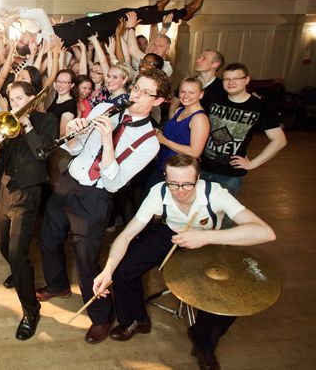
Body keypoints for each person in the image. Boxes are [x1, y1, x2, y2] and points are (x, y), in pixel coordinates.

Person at [92, 154, 276, 369]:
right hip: (169, 234)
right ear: (165, 177)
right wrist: (107, 270)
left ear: (198, 178)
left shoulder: (215, 193)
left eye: (188, 183)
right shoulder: (158, 192)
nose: (180, 190)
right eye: (174, 183)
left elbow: (265, 233)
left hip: (208, 239)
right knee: (123, 270)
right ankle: (136, 319)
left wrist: (205, 237)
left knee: (226, 291)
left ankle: (203, 340)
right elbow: (126, 235)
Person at [36, 68, 171, 344]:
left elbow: (114, 183)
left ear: (159, 101)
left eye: (146, 93)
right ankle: (58, 284)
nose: (136, 96)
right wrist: (75, 131)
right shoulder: (108, 106)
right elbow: (77, 148)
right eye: (136, 89)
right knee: (48, 239)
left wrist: (108, 140)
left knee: (86, 262)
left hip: (95, 198)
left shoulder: (149, 143)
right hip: (69, 181)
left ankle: (101, 316)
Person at [0, 81, 58, 340]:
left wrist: (27, 125)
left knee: (18, 254)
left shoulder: (47, 120)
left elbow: (42, 153)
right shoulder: (8, 123)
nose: (15, 104)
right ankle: (18, 273)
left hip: (29, 193)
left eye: (19, 99)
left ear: (32, 99)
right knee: (3, 244)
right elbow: (2, 163)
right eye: (12, 99)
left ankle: (30, 310)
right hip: (6, 190)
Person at [7, 0, 204, 52]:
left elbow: (31, 21)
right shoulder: (48, 43)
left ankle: (156, 10)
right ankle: (182, 14)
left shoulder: (38, 34)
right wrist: (18, 15)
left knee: (123, 11)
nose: (21, 35)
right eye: (21, 39)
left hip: (87, 23)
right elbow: (39, 13)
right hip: (94, 31)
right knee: (127, 18)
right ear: (30, 44)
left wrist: (10, 16)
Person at [200, 63, 287, 197]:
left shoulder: (258, 107)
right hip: (202, 168)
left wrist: (252, 164)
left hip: (230, 175)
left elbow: (279, 140)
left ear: (246, 80)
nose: (231, 82)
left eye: (236, 78)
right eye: (227, 79)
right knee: (201, 213)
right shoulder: (215, 98)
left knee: (223, 215)